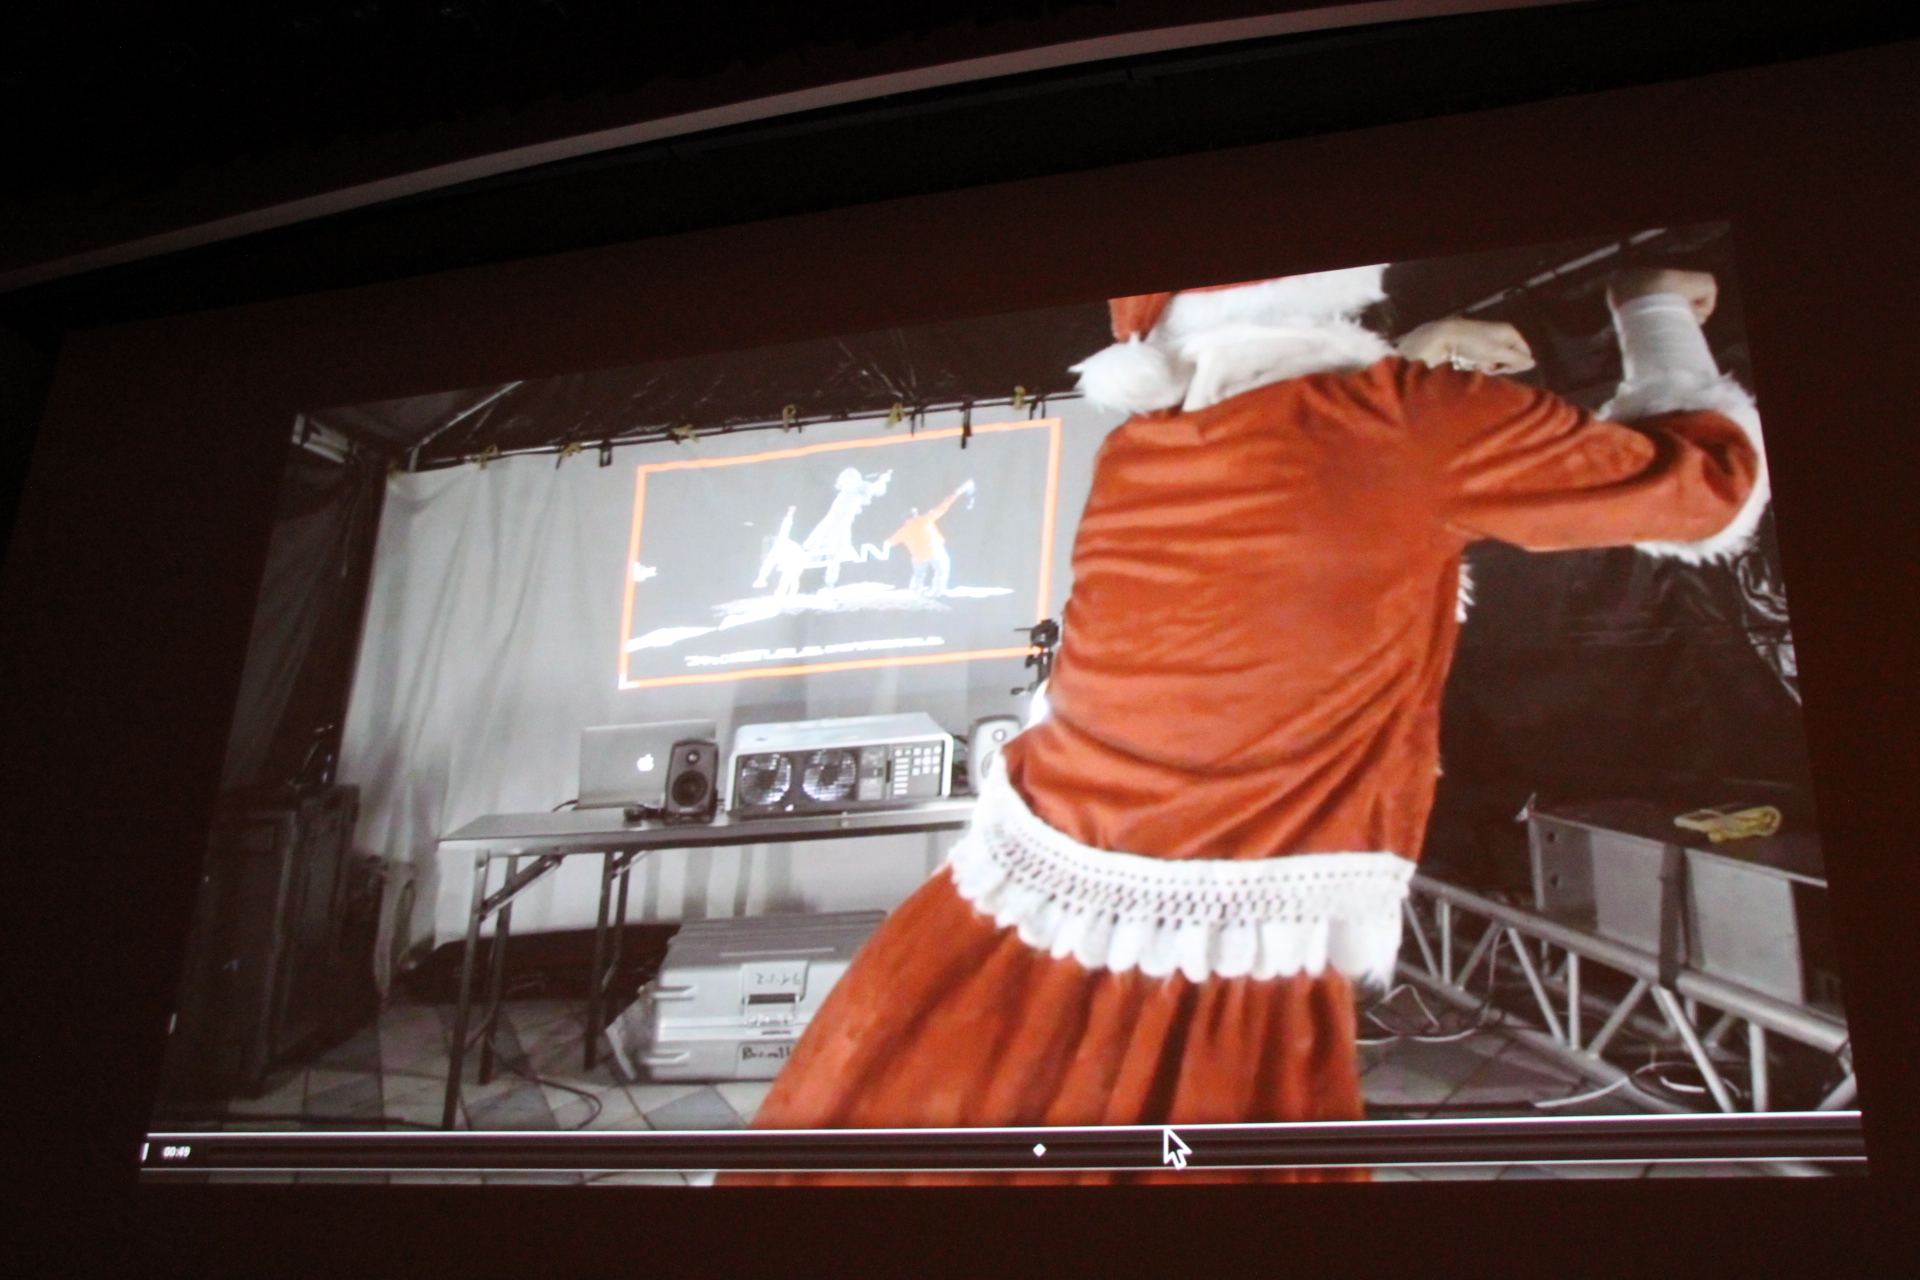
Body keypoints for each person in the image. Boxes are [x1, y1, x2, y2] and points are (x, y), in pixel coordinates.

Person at [739, 264, 1763, 1182]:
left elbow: (1302, 432)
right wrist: (1651, 308)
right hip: (1206, 967)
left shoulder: (1146, 448)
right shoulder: (1410, 422)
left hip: (1000, 917)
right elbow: (1709, 489)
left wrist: (1410, 366)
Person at [883, 479, 976, 594]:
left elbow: (889, 542)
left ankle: (916, 591)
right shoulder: (925, 519)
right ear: (915, 514)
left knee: (918, 575)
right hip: (935, 551)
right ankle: (937, 592)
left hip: (918, 557)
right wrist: (957, 492)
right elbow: (943, 507)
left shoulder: (903, 531)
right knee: (942, 571)